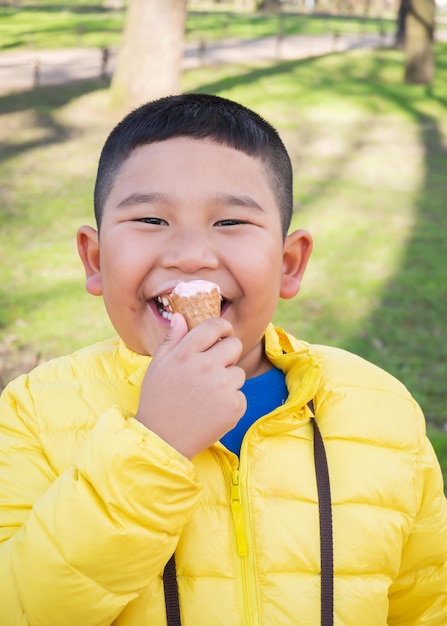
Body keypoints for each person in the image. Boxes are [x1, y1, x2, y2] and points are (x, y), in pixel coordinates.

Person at [0, 94, 446, 626]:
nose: (190, 254)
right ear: (95, 260)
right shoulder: (33, 413)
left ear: (288, 264)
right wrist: (155, 445)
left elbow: (426, 603)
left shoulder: (380, 411)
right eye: (150, 219)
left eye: (231, 222)